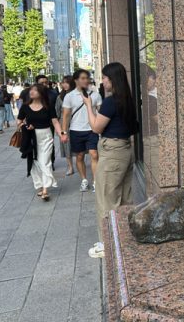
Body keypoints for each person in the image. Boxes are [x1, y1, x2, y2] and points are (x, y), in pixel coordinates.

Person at [83, 62, 136, 258]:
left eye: (105, 77)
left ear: (112, 79)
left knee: (106, 198)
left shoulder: (111, 102)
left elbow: (96, 127)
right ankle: (124, 238)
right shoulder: (128, 100)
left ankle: (108, 244)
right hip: (125, 150)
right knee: (124, 197)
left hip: (112, 152)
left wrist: (89, 107)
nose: (103, 80)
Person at [17, 84, 66, 201]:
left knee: (45, 162)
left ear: (41, 93)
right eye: (31, 90)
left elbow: (55, 122)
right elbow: (19, 122)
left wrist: (62, 134)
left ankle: (45, 189)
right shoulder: (25, 107)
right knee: (34, 163)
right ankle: (39, 185)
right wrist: (25, 126)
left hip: (46, 136)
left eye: (35, 90)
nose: (32, 92)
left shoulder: (48, 106)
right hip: (31, 137)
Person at [62, 69, 102, 192]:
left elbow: (101, 112)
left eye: (87, 78)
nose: (86, 80)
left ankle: (96, 181)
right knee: (79, 156)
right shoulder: (69, 96)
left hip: (92, 129)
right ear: (76, 80)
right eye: (83, 78)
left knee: (94, 154)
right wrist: (64, 133)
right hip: (75, 130)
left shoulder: (95, 95)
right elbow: (66, 115)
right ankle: (84, 180)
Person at [56, 75, 76, 176]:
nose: (64, 84)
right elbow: (57, 113)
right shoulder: (60, 97)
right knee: (66, 145)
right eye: (63, 82)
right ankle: (70, 166)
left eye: (67, 82)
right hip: (64, 124)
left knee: (77, 144)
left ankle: (79, 162)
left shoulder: (77, 95)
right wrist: (58, 128)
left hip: (76, 122)